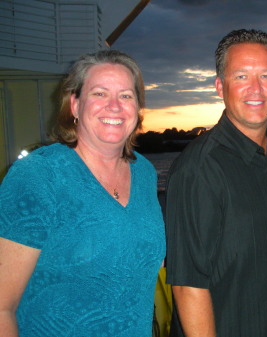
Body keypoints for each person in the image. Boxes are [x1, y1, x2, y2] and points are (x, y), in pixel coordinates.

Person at [0, 50, 166, 336]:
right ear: (75, 105)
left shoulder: (145, 173)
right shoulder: (39, 176)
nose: (114, 106)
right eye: (100, 94)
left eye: (126, 96)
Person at [165, 29, 267, 337]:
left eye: (266, 76)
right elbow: (188, 286)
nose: (256, 89)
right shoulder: (198, 169)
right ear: (220, 86)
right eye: (241, 76)